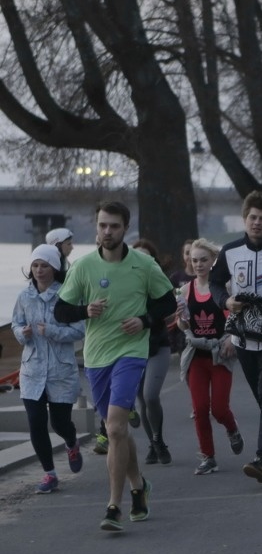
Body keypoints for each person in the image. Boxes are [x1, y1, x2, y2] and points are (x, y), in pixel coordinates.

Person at [54, 200, 176, 531]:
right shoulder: (82, 267)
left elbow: (167, 301)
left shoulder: (143, 264)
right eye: (102, 226)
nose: (107, 232)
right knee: (116, 431)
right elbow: (60, 312)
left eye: (114, 226)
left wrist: (145, 319)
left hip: (132, 352)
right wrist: (85, 311)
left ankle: (113, 507)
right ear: (96, 228)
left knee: (117, 427)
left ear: (125, 229)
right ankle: (139, 487)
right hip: (96, 357)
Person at [210, 191, 262, 484]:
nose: (257, 223)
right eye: (253, 218)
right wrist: (225, 301)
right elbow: (214, 280)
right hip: (242, 338)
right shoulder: (230, 251)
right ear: (245, 219)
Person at [12, 244, 86, 494]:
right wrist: (22, 334)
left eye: (44, 265)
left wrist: (52, 331)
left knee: (60, 422)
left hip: (60, 371)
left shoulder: (67, 295)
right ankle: (49, 474)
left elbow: (81, 330)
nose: (39, 270)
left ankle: (71, 442)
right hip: (32, 369)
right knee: (36, 421)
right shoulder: (24, 297)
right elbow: (16, 324)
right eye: (35, 265)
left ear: (54, 268)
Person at [177, 238, 244, 475]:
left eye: (203, 260)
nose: (198, 264)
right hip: (197, 354)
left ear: (213, 261)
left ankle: (232, 428)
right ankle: (208, 456)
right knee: (200, 408)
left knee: (218, 408)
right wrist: (182, 319)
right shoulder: (186, 290)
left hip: (220, 354)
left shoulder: (223, 289)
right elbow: (183, 325)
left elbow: (234, 319)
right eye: (194, 260)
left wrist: (229, 339)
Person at [130, 239, 173, 465]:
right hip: (131, 348)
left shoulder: (157, 280)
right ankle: (153, 443)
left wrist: (146, 320)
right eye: (136, 256)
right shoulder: (124, 282)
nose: (141, 261)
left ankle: (158, 439)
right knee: (141, 400)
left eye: (146, 257)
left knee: (150, 395)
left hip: (157, 345)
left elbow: (168, 305)